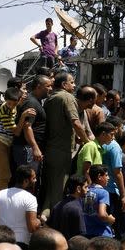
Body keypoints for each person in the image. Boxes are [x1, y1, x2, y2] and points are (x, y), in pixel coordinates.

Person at [42, 72, 90, 217]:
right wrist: (87, 142)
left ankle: (44, 216)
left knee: (50, 190)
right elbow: (75, 122)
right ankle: (56, 225)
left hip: (49, 150)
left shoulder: (50, 99)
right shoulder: (67, 97)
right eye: (72, 82)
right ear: (64, 85)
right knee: (58, 191)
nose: (74, 85)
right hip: (62, 151)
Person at [0, 87, 35, 202]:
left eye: (14, 103)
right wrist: (23, 116)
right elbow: (16, 131)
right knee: (5, 177)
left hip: (7, 144)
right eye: (9, 103)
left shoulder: (16, 105)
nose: (11, 106)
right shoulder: (4, 111)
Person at [11, 75, 52, 194]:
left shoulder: (36, 101)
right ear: (39, 87)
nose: (50, 88)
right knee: (27, 182)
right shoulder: (31, 103)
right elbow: (27, 126)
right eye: (48, 86)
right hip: (27, 149)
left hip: (28, 149)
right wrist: (35, 147)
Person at [0, 165, 41, 250]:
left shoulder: (0, 194)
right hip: (20, 244)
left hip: (1, 242)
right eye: (33, 178)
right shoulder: (30, 198)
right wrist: (39, 221)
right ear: (25, 181)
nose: (35, 180)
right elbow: (32, 228)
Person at [102, 116, 125, 238]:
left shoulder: (101, 143)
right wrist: (124, 196)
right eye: (121, 128)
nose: (122, 131)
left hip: (102, 188)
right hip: (112, 191)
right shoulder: (114, 146)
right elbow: (118, 173)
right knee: (115, 227)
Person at [48, 175, 89, 240]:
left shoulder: (58, 205)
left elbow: (49, 226)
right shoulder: (76, 209)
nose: (88, 190)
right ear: (78, 189)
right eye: (86, 187)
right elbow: (81, 235)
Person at [83, 165, 115, 238]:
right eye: (106, 175)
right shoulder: (103, 192)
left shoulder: (85, 191)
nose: (108, 178)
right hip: (101, 234)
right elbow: (102, 215)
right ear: (99, 176)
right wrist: (109, 219)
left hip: (87, 233)